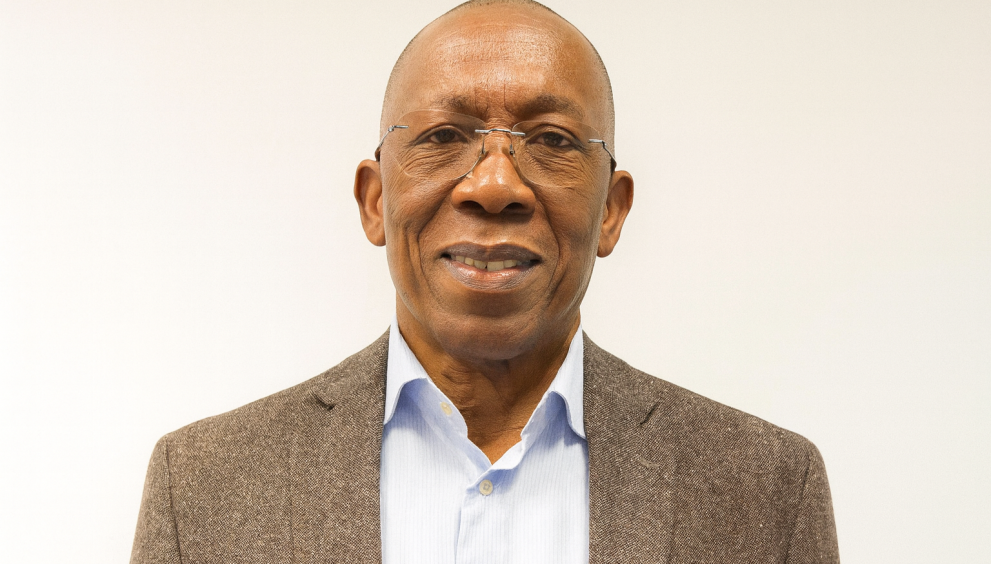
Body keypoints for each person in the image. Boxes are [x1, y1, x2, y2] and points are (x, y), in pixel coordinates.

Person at [130, 1, 839, 562]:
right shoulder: (201, 487)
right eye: (443, 136)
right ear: (375, 201)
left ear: (611, 212)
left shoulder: (766, 488)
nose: (495, 186)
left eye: (552, 140)